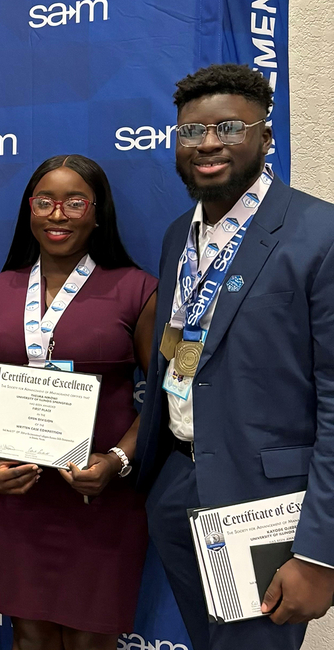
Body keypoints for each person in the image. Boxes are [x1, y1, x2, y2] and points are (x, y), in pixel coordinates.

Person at [134, 63, 334, 650]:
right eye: (192, 131)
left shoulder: (319, 234)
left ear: (266, 137)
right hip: (177, 485)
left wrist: (320, 552)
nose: (209, 144)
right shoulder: (180, 234)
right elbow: (181, 348)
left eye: (230, 128)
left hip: (269, 505)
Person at [0, 154, 157, 650]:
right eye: (44, 201)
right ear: (28, 210)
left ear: (98, 213)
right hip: (20, 496)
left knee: (92, 637)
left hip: (98, 495)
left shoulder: (137, 290)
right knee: (29, 635)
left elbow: (164, 395)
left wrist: (116, 461)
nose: (58, 214)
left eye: (75, 202)